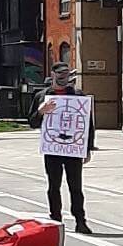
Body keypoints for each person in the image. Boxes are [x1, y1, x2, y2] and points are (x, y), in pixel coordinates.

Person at [28, 62, 95, 235]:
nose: (64, 77)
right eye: (60, 73)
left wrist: (87, 148)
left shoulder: (78, 96)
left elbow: (88, 124)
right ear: (53, 74)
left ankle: (80, 220)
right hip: (52, 149)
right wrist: (41, 111)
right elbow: (32, 122)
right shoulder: (42, 96)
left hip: (73, 149)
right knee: (53, 185)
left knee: (76, 186)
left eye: (67, 73)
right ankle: (55, 218)